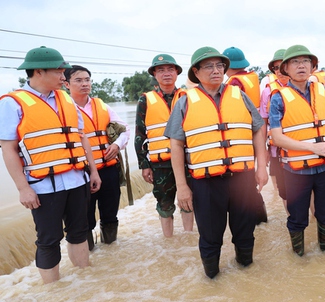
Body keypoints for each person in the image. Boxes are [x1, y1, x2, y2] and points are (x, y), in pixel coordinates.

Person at [0, 46, 101, 283]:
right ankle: (52, 293)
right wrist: (23, 188)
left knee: (79, 232)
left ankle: (85, 285)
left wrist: (93, 170)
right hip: (43, 186)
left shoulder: (66, 98)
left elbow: (81, 136)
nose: (63, 76)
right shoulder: (12, 103)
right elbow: (8, 148)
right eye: (58, 70)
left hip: (77, 180)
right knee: (48, 239)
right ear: (38, 72)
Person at [164, 46, 268, 279]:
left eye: (220, 65)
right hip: (206, 183)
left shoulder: (238, 95)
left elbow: (258, 128)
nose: (216, 70)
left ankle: (247, 281)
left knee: (245, 233)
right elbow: (176, 145)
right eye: (209, 66)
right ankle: (212, 281)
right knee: (210, 237)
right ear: (196, 72)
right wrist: (182, 186)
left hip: (242, 179)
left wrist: (262, 166)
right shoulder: (184, 101)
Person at [269, 45, 325, 256]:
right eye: (295, 62)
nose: (301, 65)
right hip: (296, 171)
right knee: (297, 218)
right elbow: (277, 137)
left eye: (305, 61)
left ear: (313, 66)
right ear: (285, 68)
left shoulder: (323, 90)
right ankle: (299, 259)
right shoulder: (278, 98)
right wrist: (314, 148)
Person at [64, 65, 130, 250]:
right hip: (81, 173)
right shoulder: (64, 109)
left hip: (108, 168)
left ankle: (110, 251)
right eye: (78, 80)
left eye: (87, 80)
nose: (84, 84)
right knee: (84, 217)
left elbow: (125, 129)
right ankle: (89, 255)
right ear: (67, 84)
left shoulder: (102, 105)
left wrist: (117, 145)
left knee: (110, 213)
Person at [135, 54, 194, 238]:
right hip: (160, 165)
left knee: (189, 201)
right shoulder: (145, 100)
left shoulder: (188, 97)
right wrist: (144, 165)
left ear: (177, 73)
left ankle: (188, 239)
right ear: (154, 74)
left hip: (187, 161)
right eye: (161, 70)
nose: (166, 73)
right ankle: (169, 243)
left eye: (170, 69)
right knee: (164, 204)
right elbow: (139, 135)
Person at [223, 46, 268, 224]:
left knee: (245, 181)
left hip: (242, 136)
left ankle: (254, 218)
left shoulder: (234, 83)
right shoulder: (252, 77)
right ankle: (261, 219)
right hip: (255, 132)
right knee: (250, 179)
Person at [260, 49, 289, 213]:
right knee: (284, 191)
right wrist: (263, 148)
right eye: (276, 68)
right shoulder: (267, 91)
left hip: (304, 148)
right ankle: (291, 220)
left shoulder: (310, 89)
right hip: (276, 149)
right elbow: (263, 122)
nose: (280, 71)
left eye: (283, 66)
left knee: (310, 190)